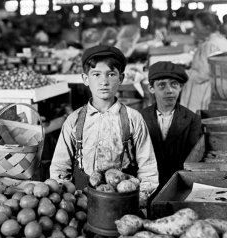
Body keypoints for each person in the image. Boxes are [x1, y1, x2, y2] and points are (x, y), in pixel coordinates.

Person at [49, 45, 159, 206]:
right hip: (83, 201)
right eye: (96, 74)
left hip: (122, 199)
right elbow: (59, 168)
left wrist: (139, 198)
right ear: (85, 79)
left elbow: (148, 169)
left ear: (121, 78)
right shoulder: (74, 120)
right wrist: (64, 199)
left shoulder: (133, 119)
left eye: (111, 74)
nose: (104, 82)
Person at [141, 61, 202, 188]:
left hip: (180, 186)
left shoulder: (192, 120)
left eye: (174, 84)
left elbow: (192, 160)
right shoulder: (140, 118)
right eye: (162, 85)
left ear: (181, 87)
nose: (169, 90)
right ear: (151, 88)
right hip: (147, 186)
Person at [180, 11, 227, 113]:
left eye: (197, 27)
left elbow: (202, 75)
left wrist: (182, 72)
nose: (194, 30)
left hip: (203, 95)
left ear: (207, 28)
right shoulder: (222, 41)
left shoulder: (209, 45)